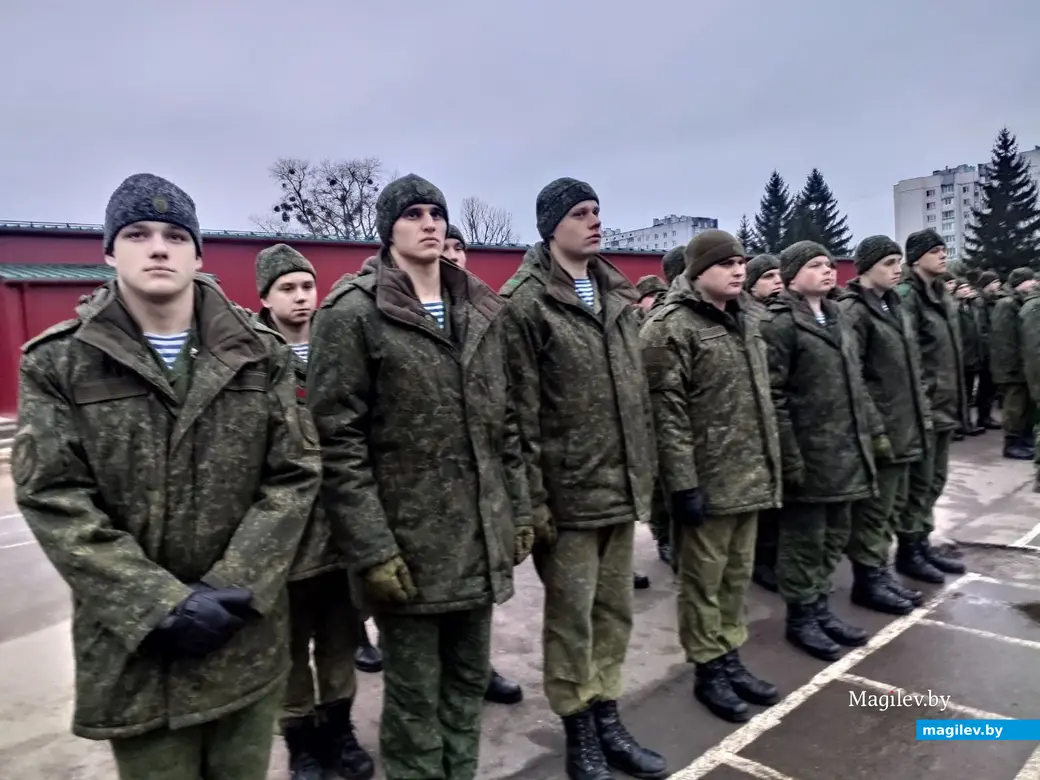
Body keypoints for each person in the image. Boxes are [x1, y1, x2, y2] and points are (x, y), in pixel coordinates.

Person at [11, 173, 322, 780]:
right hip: (136, 648)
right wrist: (156, 603)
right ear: (109, 251)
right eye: (137, 233)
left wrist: (234, 584)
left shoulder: (260, 354)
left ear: (198, 254)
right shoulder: (60, 361)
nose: (158, 247)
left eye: (175, 235)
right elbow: (52, 494)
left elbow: (295, 473)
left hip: (242, 631)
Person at [307, 174, 532, 780]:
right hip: (407, 550)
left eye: (436, 212)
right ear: (388, 229)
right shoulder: (354, 313)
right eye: (413, 214)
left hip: (478, 537)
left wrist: (519, 510)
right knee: (413, 700)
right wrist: (374, 548)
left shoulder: (483, 308)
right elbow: (339, 443)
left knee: (464, 689)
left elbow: (505, 422)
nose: (429, 223)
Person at [500, 178, 666, 780]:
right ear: (551, 226)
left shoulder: (615, 294)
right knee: (572, 621)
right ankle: (579, 731)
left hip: (619, 487)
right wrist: (534, 505)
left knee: (614, 613)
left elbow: (635, 395)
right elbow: (516, 417)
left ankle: (607, 714)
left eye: (597, 211)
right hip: (567, 496)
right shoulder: (524, 304)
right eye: (580, 213)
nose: (594, 222)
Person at [642, 230, 782, 723]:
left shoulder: (746, 319)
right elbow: (667, 416)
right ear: (698, 272)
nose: (739, 271)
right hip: (705, 483)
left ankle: (729, 657)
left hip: (748, 477)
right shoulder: (668, 328)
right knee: (703, 583)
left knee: (735, 579)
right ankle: (707, 669)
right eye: (727, 264)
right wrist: (682, 484)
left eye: (743, 261)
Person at [253, 244, 375, 780]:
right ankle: (301, 740)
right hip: (284, 536)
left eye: (306, 286)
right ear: (264, 297)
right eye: (288, 288)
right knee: (287, 646)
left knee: (339, 638)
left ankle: (340, 729)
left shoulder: (338, 344)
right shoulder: (250, 356)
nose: (301, 298)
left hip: (342, 525)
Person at [760, 240, 879, 662]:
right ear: (792, 276)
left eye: (830, 264)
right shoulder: (780, 325)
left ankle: (820, 608)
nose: (828, 271)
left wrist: (873, 433)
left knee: (833, 537)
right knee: (803, 541)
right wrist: (789, 456)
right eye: (815, 265)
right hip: (809, 455)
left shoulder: (836, 318)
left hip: (845, 452)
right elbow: (771, 398)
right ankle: (801, 618)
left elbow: (856, 382)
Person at [439, 223, 527, 706]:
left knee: (478, 593)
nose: (452, 253)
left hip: (482, 479)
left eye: (459, 246)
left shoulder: (483, 312)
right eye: (445, 246)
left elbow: (508, 401)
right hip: (428, 488)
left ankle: (478, 667)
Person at [837, 236, 929, 616]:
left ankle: (881, 571)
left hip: (905, 423)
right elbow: (852, 378)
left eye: (899, 262)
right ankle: (867, 580)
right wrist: (874, 429)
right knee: (874, 512)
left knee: (892, 508)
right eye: (889, 262)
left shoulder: (895, 304)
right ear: (867, 267)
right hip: (881, 429)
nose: (898, 269)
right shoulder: (854, 312)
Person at [895, 230, 969, 583]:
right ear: (916, 257)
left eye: (944, 249)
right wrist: (919, 404)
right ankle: (909, 550)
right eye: (935, 251)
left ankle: (921, 542)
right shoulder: (907, 296)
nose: (943, 255)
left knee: (935, 480)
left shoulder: (940, 294)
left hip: (944, 406)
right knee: (919, 483)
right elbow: (906, 358)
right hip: (921, 409)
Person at [743, 253, 784, 593]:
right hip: (756, 419)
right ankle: (762, 560)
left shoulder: (779, 313)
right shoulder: (747, 316)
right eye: (769, 276)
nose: (778, 281)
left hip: (780, 418)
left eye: (779, 275)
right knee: (765, 501)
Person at [989, 267, 1038, 460]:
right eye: (1030, 280)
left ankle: (1024, 438)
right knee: (1014, 406)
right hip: (1011, 367)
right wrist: (1011, 367)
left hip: (1021, 364)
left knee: (1025, 405)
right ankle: (1011, 443)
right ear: (1020, 283)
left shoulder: (1019, 302)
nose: (1034, 284)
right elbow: (1004, 340)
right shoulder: (1006, 304)